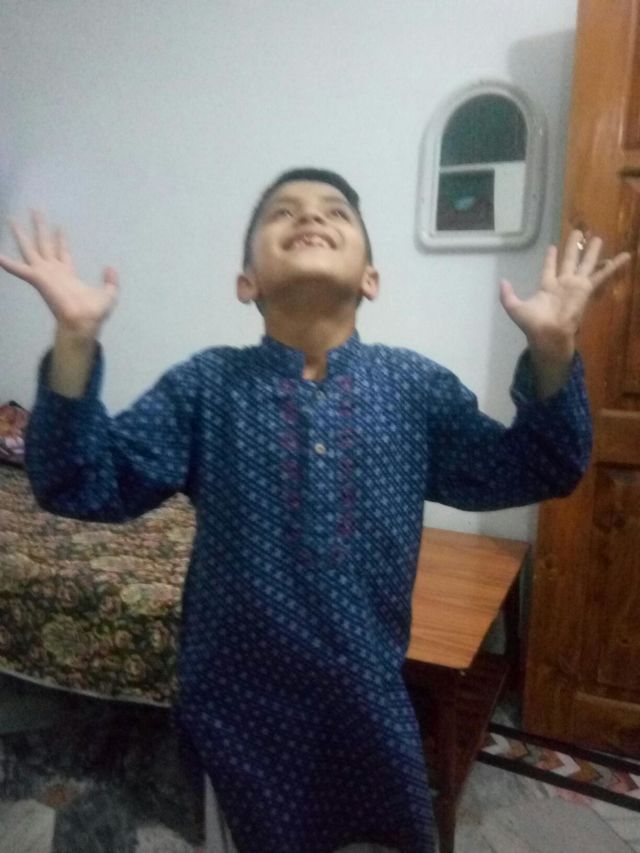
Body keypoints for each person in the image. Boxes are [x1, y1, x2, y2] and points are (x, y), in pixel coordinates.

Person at [0, 168, 630, 853]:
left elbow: (540, 465)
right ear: (247, 282)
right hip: (237, 709)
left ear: (371, 279)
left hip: (368, 698)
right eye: (283, 212)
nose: (310, 217)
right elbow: (77, 482)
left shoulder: (413, 388)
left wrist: (552, 350)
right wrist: (74, 340)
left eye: (336, 212)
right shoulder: (207, 387)